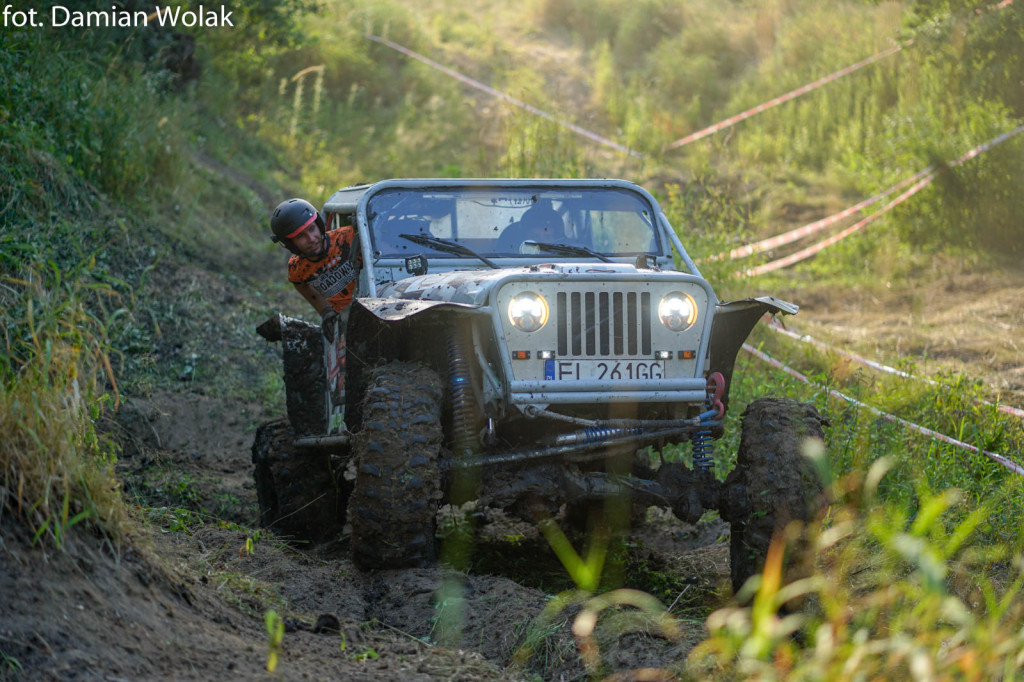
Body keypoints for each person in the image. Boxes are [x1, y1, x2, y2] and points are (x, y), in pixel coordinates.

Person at [269, 198, 358, 341]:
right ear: (290, 244)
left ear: (319, 225)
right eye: (300, 236)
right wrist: (325, 311)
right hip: (347, 321)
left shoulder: (348, 238)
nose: (311, 238)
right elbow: (300, 284)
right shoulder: (297, 268)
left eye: (311, 229)